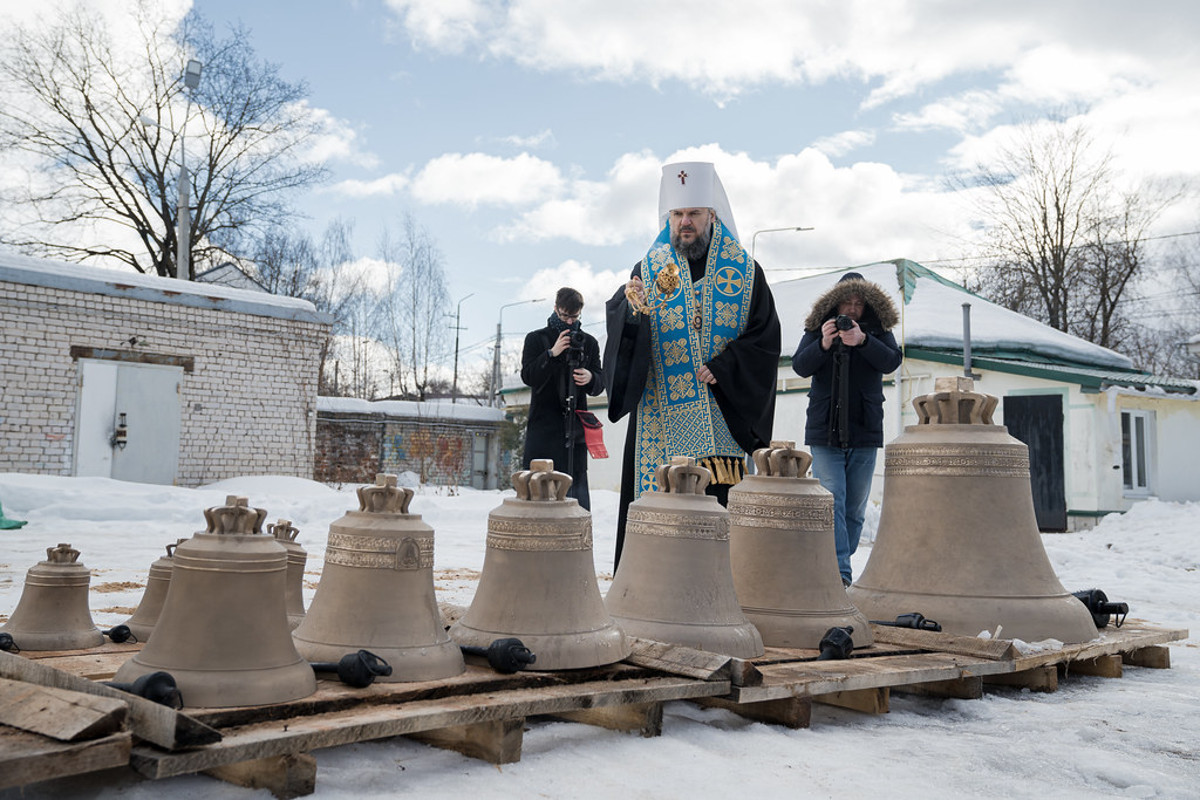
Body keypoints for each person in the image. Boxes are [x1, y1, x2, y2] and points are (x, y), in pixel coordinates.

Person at [604, 161, 781, 568]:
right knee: (656, 509)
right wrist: (629, 311)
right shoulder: (647, 270)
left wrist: (727, 364)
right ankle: (646, 592)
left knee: (716, 516)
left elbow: (765, 338)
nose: (685, 223)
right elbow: (626, 338)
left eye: (694, 214)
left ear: (712, 215)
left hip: (720, 416)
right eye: (678, 214)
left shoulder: (746, 272)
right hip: (658, 418)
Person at [791, 271, 902, 586]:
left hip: (864, 432)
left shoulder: (879, 330)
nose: (852, 309)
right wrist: (824, 343)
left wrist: (864, 341)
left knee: (854, 509)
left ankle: (836, 559)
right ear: (835, 302)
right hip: (824, 431)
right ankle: (840, 574)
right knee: (833, 500)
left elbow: (892, 361)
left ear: (867, 305)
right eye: (847, 302)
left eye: (858, 303)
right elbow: (800, 366)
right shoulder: (817, 329)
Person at [520, 287, 604, 510]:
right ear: (555, 308)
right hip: (543, 430)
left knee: (576, 498)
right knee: (538, 494)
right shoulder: (536, 339)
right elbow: (528, 376)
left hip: (575, 433)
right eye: (564, 315)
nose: (569, 322)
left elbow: (600, 384)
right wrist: (551, 353)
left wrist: (591, 377)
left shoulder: (589, 342)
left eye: (574, 317)